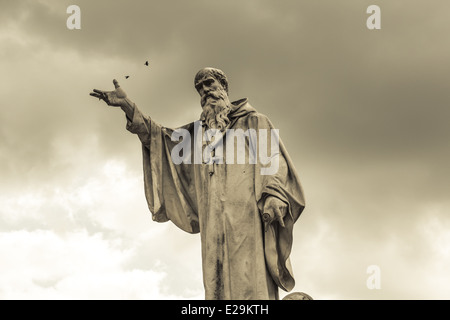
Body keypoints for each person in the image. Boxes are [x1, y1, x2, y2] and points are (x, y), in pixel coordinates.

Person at [90, 67, 305, 300]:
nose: (205, 90)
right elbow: (160, 139)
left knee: (248, 279)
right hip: (213, 218)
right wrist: (128, 106)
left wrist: (274, 195)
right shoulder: (196, 136)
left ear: (223, 87)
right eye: (199, 88)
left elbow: (272, 159)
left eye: (209, 83)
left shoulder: (254, 121)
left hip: (246, 216)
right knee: (216, 281)